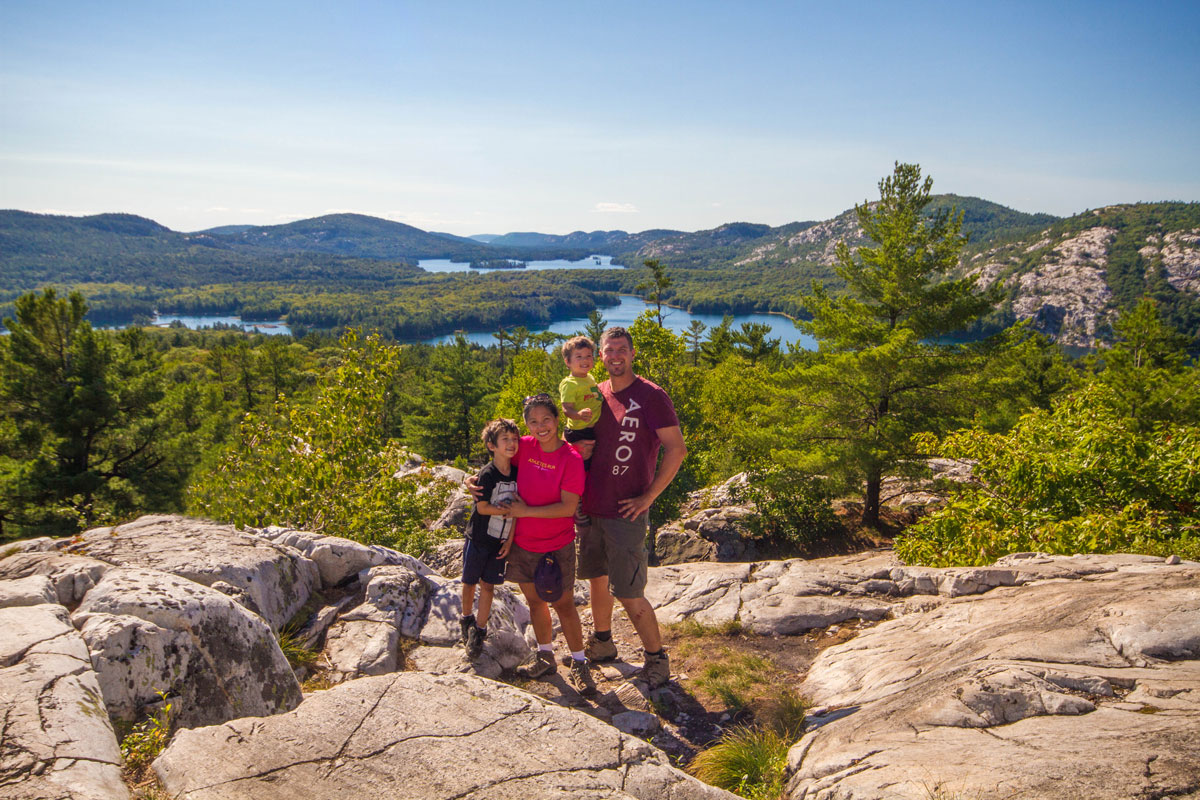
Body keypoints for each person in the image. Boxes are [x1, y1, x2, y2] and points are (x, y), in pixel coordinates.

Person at [575, 326, 686, 688]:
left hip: (627, 512)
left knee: (628, 591)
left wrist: (649, 497)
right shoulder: (595, 392)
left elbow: (677, 449)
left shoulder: (651, 396)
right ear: (601, 356)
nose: (615, 356)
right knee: (596, 580)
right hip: (592, 507)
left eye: (622, 349)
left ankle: (656, 657)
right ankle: (603, 643)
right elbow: (576, 441)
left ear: (632, 354)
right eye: (609, 350)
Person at [497, 393, 597, 696]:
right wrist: (475, 481)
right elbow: (499, 464)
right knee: (536, 602)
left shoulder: (571, 459)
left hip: (556, 546)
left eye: (547, 420)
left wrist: (525, 511)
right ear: (526, 425)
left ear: (556, 420)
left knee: (564, 605)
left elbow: (568, 508)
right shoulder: (523, 447)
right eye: (533, 421)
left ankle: (579, 663)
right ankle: (545, 656)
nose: (541, 427)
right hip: (523, 545)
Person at [459, 418, 520, 661]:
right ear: (491, 445)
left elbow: (517, 512)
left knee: (489, 585)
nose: (511, 444)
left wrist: (510, 540)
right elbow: (482, 508)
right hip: (479, 538)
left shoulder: (517, 473)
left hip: (500, 540)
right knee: (469, 581)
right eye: (505, 439)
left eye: (514, 439)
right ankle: (466, 618)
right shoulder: (486, 474)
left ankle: (480, 630)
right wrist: (504, 510)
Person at [558, 335, 601, 469]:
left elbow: (597, 396)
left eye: (588, 356)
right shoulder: (569, 384)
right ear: (568, 362)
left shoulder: (590, 378)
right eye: (579, 357)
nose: (585, 360)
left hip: (591, 428)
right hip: (578, 432)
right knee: (580, 467)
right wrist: (579, 414)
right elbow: (566, 409)